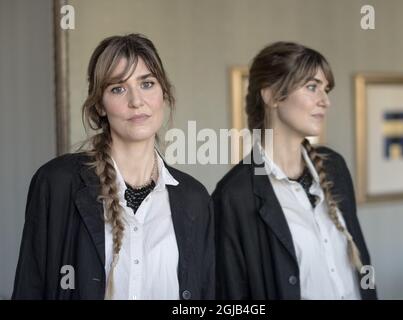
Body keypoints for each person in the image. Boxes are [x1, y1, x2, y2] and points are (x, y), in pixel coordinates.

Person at [12, 34, 214, 300]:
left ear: (164, 94)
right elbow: (30, 288)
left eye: (147, 84)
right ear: (100, 105)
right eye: (118, 88)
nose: (136, 101)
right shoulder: (56, 183)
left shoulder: (195, 198)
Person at [213, 42, 377, 300]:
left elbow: (362, 270)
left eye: (326, 89)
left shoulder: (335, 168)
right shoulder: (234, 194)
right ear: (271, 96)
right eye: (312, 87)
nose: (325, 101)